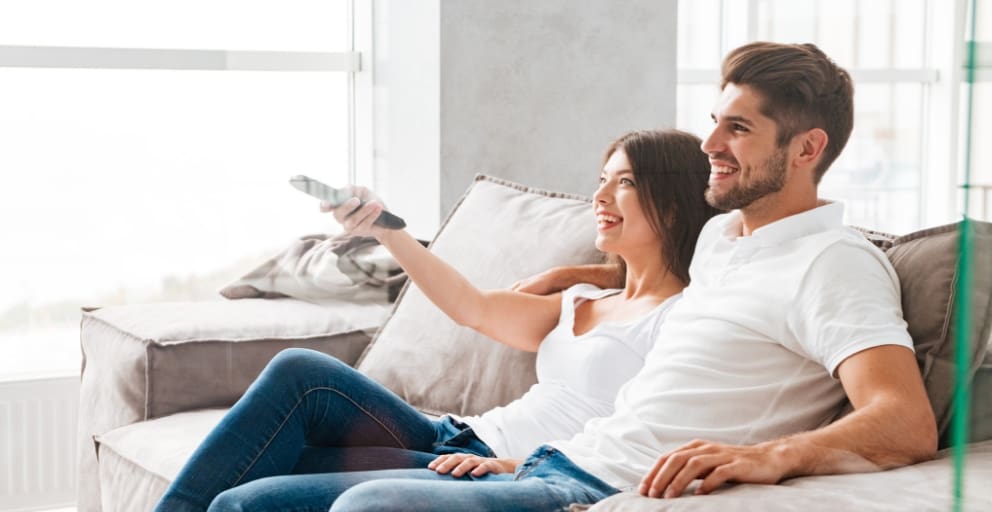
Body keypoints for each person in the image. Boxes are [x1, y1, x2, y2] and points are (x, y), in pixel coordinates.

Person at [316, 42, 938, 512]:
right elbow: (653, 278)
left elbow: (904, 420)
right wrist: (572, 277)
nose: (710, 144)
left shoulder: (834, 262)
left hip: (601, 487)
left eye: (739, 129)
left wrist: (773, 455)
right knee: (252, 501)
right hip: (555, 462)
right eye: (715, 120)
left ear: (807, 150)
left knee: (368, 505)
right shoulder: (724, 240)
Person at [153, 128, 721, 511]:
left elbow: (646, 432)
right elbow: (469, 307)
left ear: (673, 202)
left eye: (622, 182)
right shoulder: (577, 302)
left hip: (510, 467)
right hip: (450, 436)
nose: (599, 195)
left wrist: (520, 465)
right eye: (601, 178)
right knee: (301, 372)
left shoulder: (684, 318)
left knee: (240, 502)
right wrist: (385, 227)